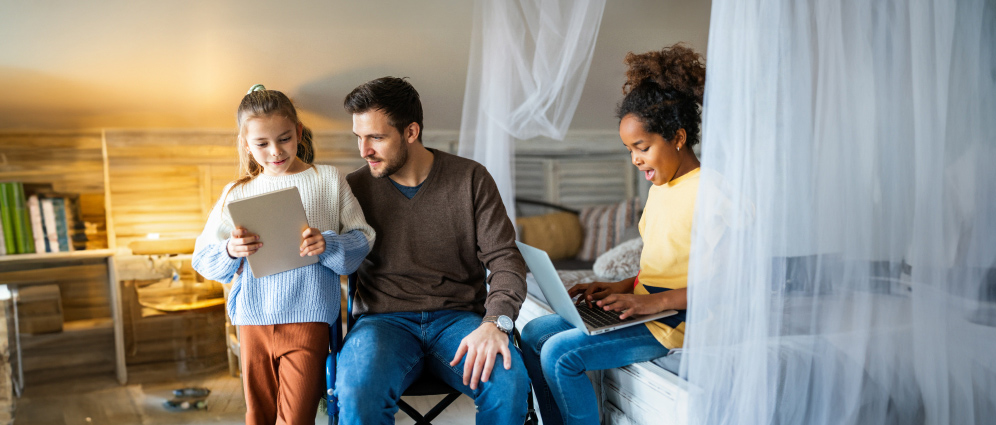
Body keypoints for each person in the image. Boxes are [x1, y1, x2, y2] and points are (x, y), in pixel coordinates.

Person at [520, 44, 706, 425]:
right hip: (649, 309)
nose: (635, 159)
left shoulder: (711, 193)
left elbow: (731, 284)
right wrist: (622, 287)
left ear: (679, 137)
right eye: (629, 149)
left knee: (560, 355)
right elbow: (665, 266)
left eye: (643, 147)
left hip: (677, 321)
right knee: (534, 331)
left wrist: (650, 304)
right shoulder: (660, 190)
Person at [334, 76, 531, 425]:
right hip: (382, 323)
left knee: (509, 382)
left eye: (376, 137)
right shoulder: (352, 188)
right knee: (358, 390)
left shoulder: (471, 179)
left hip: (459, 321)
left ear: (411, 132)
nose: (364, 150)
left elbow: (506, 260)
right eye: (359, 137)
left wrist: (496, 323)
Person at [192, 85, 375, 425]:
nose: (275, 151)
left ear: (299, 133)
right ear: (246, 144)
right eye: (261, 144)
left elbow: (363, 240)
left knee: (295, 419)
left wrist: (329, 245)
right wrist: (231, 250)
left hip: (309, 317)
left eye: (284, 138)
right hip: (253, 319)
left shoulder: (328, 181)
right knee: (258, 416)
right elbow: (202, 259)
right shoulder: (237, 192)